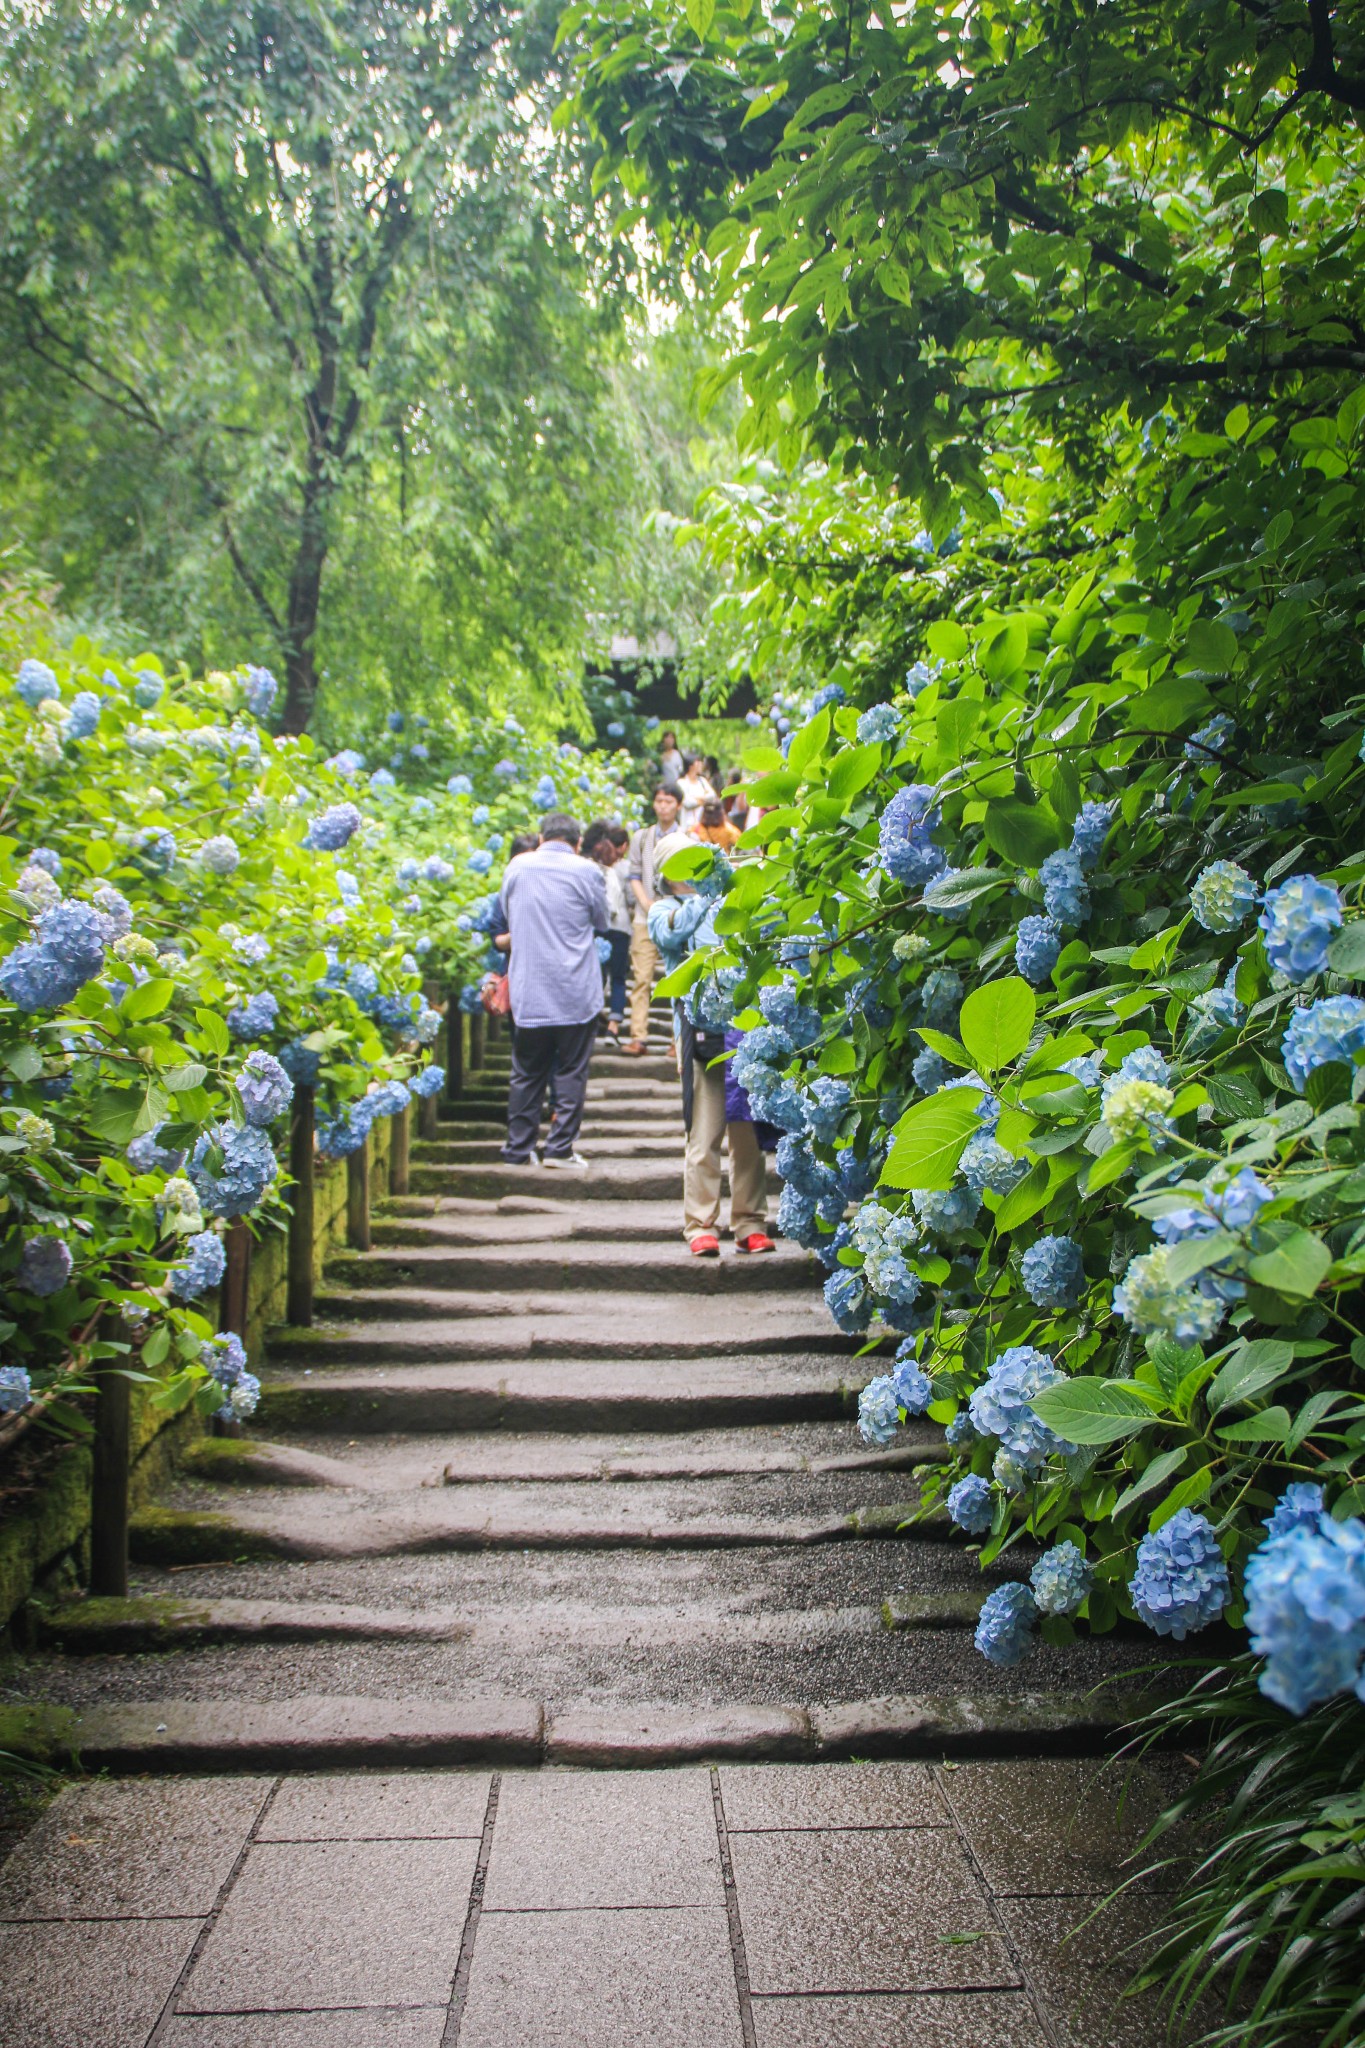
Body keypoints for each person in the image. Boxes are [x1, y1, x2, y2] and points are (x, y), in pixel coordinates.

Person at [647, 834, 773, 1256]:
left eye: (697, 861)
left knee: (747, 1135)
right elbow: (669, 935)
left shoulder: (729, 897)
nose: (692, 869)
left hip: (744, 1030)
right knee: (704, 1133)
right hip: (700, 1036)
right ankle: (700, 1224)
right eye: (683, 864)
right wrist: (709, 892)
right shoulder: (664, 909)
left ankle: (749, 1222)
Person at [497, 811, 610, 1170]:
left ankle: (518, 1149)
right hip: (575, 991)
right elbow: (603, 922)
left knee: (526, 1071)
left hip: (529, 990)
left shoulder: (517, 867)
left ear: (541, 836)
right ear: (577, 842)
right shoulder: (586, 870)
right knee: (571, 1070)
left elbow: (507, 913)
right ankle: (559, 1149)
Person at [622, 781, 683, 1054]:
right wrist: (646, 902)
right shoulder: (642, 837)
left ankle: (677, 1039)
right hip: (643, 916)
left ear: (678, 805)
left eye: (668, 801)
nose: (663, 806)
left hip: (676, 914)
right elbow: (633, 874)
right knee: (641, 977)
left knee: (678, 976)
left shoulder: (686, 838)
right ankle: (638, 1036)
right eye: (659, 800)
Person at [582, 818, 632, 1038]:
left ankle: (590, 1024)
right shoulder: (615, 871)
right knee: (619, 978)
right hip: (620, 928)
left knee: (596, 977)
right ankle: (613, 1026)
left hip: (597, 929)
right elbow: (624, 901)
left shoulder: (583, 868)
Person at [675, 753, 717, 829]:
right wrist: (704, 798)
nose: (701, 764)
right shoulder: (681, 783)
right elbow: (688, 803)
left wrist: (696, 798)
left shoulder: (702, 781)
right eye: (698, 762)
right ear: (690, 766)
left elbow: (712, 795)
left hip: (704, 825)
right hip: (687, 826)